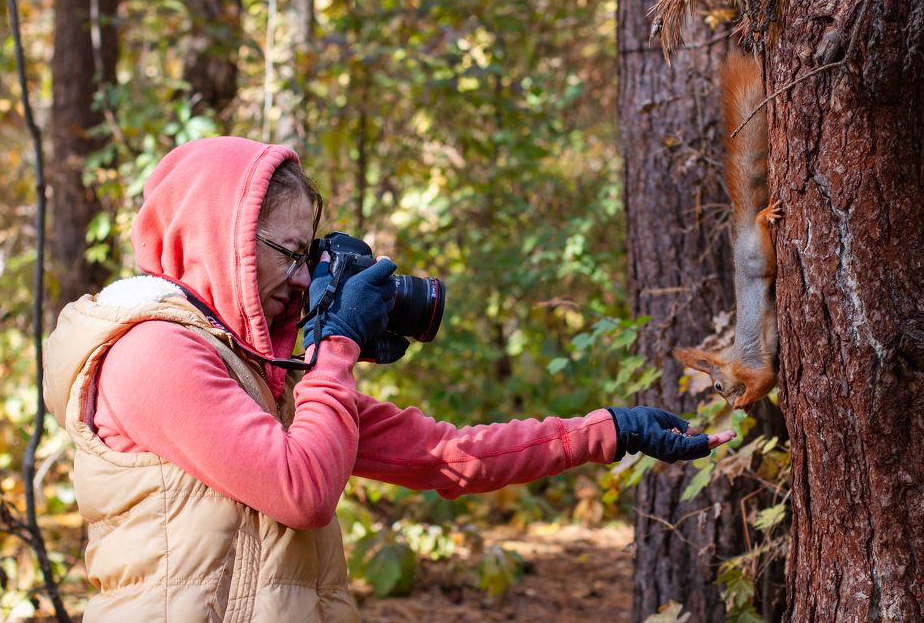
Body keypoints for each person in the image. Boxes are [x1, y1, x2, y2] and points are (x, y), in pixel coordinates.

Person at [44, 137, 735, 622]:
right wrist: (336, 340)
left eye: (308, 256)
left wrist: (608, 431)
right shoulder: (153, 351)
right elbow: (302, 490)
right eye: (290, 253)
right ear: (217, 238)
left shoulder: (264, 371)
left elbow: (443, 455)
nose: (302, 278)